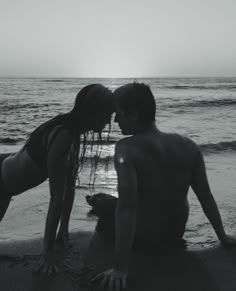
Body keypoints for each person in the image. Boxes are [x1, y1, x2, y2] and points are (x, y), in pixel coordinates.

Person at [87, 82, 236, 290]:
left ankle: (95, 199)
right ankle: (100, 199)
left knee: (106, 205)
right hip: (174, 235)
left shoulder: (126, 148)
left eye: (119, 114)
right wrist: (223, 237)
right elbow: (205, 196)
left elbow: (127, 208)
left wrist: (120, 267)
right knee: (118, 202)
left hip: (143, 237)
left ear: (135, 113)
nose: (116, 120)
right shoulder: (189, 145)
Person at [0, 84, 114, 274]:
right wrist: (48, 253)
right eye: (107, 114)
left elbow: (69, 190)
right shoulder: (63, 135)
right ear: (93, 112)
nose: (109, 121)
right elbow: (56, 199)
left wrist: (63, 232)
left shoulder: (72, 134)